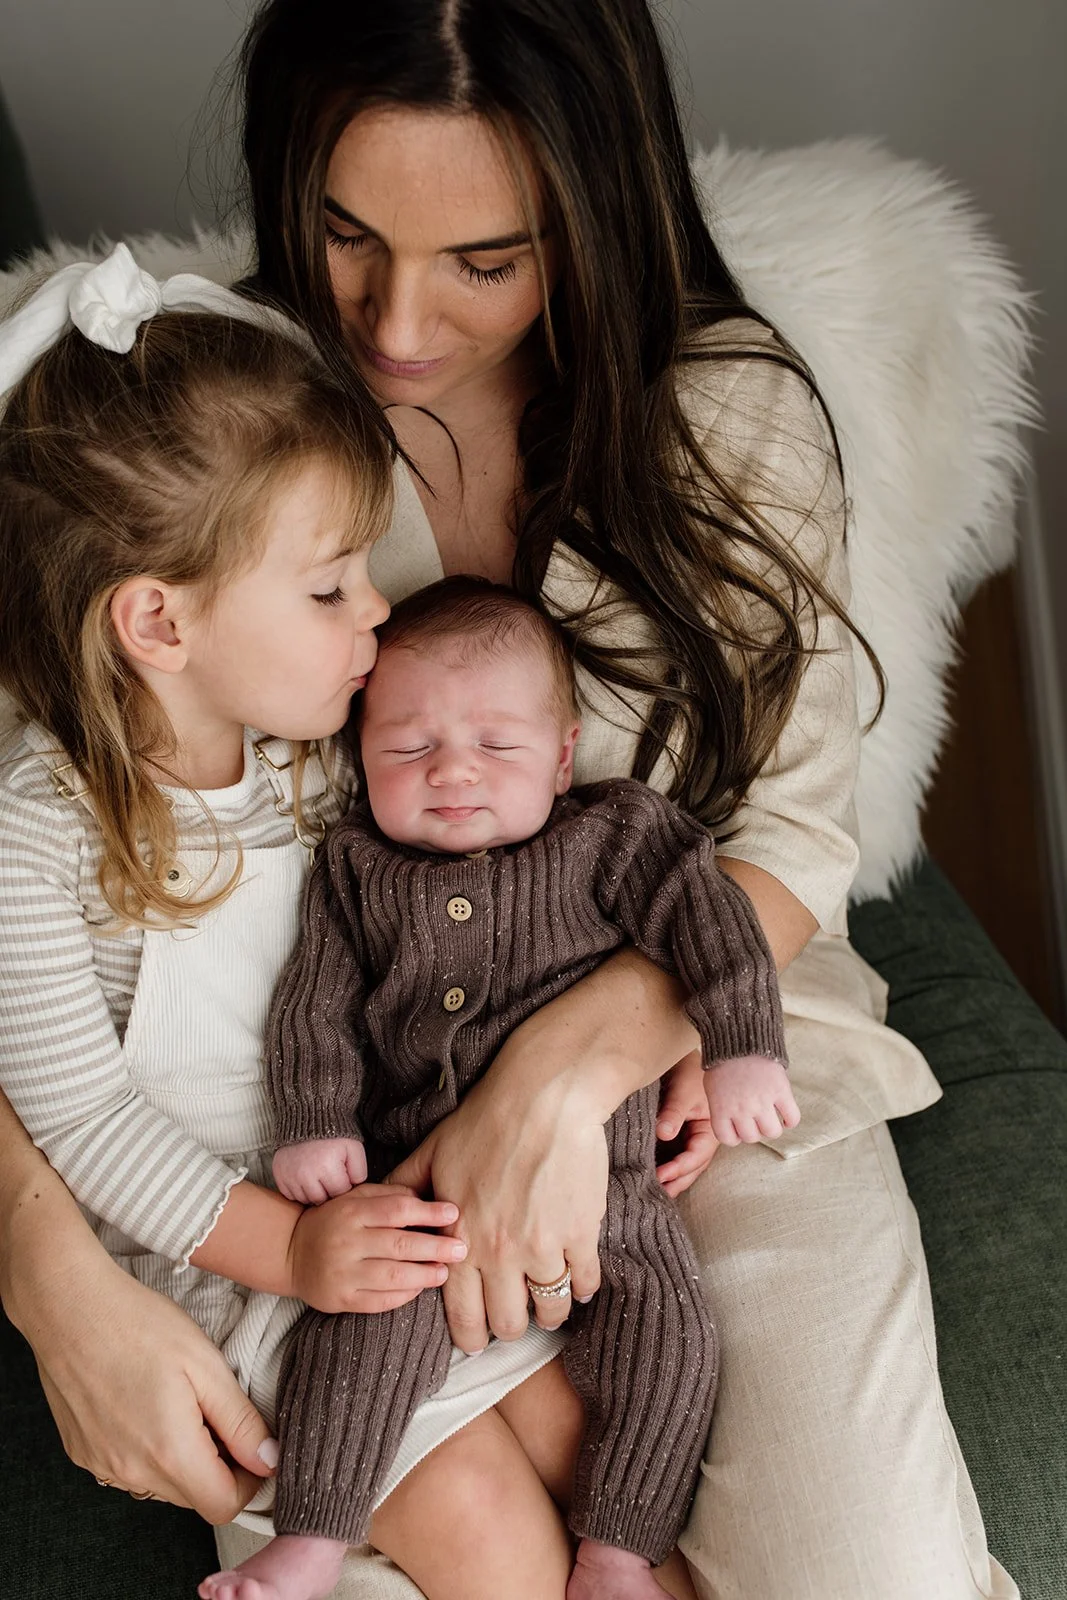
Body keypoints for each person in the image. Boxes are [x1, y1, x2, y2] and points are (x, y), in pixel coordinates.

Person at [0, 3, 1019, 1597]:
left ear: (592, 215)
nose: (396, 323)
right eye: (344, 234)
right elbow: (56, 871)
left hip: (701, 1066)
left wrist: (565, 1068)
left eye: (485, 258)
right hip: (333, 1138)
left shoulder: (728, 413)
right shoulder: (203, 427)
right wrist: (45, 1264)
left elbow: (794, 830)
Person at [200, 575, 797, 1600]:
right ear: (359, 756)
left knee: (671, 1335)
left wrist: (741, 1045)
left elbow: (712, 923)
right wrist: (312, 1120)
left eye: (497, 745)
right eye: (407, 747)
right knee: (362, 1326)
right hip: (419, 1191)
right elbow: (311, 1003)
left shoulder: (610, 834)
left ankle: (617, 1547)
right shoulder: (355, 870)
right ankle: (307, 1535)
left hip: (609, 1184)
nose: (451, 772)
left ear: (562, 754)